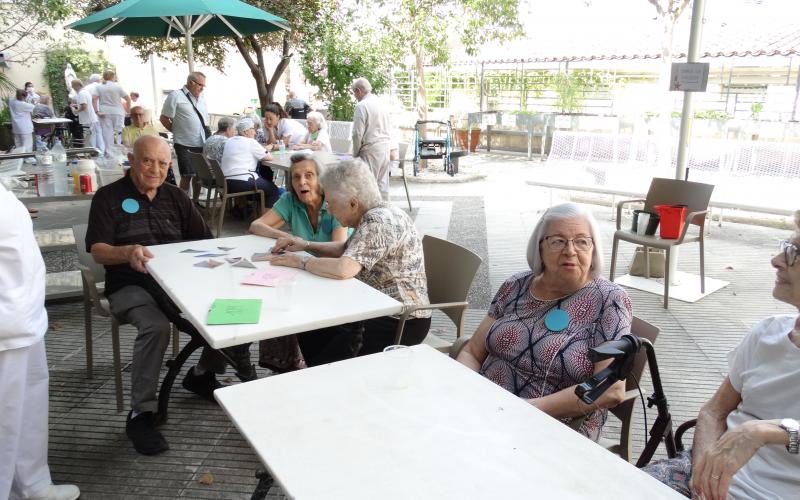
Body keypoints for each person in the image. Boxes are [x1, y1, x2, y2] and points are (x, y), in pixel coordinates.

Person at [85, 135, 249, 455]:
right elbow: (98, 251)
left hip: (179, 284)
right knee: (156, 326)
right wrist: (128, 251)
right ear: (132, 160)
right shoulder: (108, 197)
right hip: (129, 285)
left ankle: (202, 374)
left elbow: (203, 242)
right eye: (147, 160)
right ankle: (141, 413)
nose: (155, 169)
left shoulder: (175, 197)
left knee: (234, 305)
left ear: (169, 166)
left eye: (162, 163)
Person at [644, 210, 800, 500]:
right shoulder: (766, 333)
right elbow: (713, 411)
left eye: (794, 252)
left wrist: (772, 430)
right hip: (704, 479)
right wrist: (702, 476)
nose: (776, 261)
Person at [456, 203, 630, 441]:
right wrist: (464, 390)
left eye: (581, 241)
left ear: (594, 249)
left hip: (553, 428)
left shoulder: (610, 300)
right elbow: (472, 352)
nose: (570, 250)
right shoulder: (515, 286)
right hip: (482, 409)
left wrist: (528, 409)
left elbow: (611, 389)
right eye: (558, 241)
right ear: (540, 248)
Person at [270, 158, 431, 365]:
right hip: (376, 307)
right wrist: (306, 244)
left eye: (330, 203)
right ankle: (320, 373)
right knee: (309, 325)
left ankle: (329, 378)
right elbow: (347, 250)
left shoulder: (378, 222)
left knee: (320, 343)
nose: (328, 210)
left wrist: (299, 262)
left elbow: (344, 268)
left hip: (400, 320)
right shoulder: (377, 211)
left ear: (353, 203)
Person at [0, 182, 81, 500]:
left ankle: (33, 483)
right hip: (6, 325)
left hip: (25, 318)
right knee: (4, 423)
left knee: (28, 411)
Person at [250, 152, 349, 371]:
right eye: (295, 177)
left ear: (320, 179)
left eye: (309, 175)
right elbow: (256, 225)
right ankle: (286, 367)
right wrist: (285, 237)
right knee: (271, 302)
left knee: (283, 306)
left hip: (333, 279)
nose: (301, 182)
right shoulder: (290, 200)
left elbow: (339, 250)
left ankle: (310, 366)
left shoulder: (333, 202)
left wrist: (302, 243)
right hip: (303, 276)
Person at [160, 72, 210, 205]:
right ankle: (183, 204)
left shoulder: (201, 97)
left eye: (204, 86)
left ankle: (195, 202)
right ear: (191, 82)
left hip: (201, 142)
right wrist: (177, 131)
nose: (202, 88)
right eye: (200, 85)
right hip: (184, 143)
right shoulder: (175, 96)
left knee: (199, 175)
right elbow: (164, 118)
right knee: (187, 174)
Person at [219, 118, 280, 214]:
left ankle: (246, 210)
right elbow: (269, 157)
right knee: (272, 190)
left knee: (263, 183)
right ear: (246, 131)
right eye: (253, 129)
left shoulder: (229, 141)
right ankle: (265, 223)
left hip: (225, 181)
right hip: (242, 182)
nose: (255, 133)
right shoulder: (250, 142)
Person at [350, 77, 392, 200]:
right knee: (382, 187)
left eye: (354, 93)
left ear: (358, 90)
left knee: (368, 188)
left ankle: (371, 216)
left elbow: (357, 133)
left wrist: (355, 153)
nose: (355, 96)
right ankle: (385, 214)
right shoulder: (381, 103)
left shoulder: (361, 106)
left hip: (370, 149)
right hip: (384, 148)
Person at [94, 70, 130, 152]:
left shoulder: (99, 87)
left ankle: (109, 152)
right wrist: (128, 110)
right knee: (119, 132)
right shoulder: (117, 87)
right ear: (113, 77)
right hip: (118, 112)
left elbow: (94, 99)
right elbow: (128, 98)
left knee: (107, 134)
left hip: (104, 112)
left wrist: (97, 111)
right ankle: (120, 151)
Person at [70, 79, 101, 151]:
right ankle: (91, 152)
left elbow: (84, 106)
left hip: (87, 119)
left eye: (73, 86)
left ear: (77, 85)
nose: (73, 88)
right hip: (90, 118)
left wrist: (76, 111)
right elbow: (86, 104)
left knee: (88, 139)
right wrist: (76, 104)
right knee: (91, 137)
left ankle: (89, 152)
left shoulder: (81, 93)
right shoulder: (85, 92)